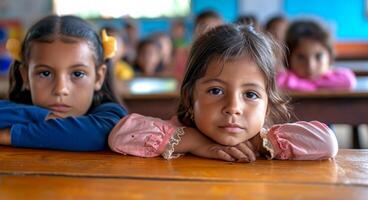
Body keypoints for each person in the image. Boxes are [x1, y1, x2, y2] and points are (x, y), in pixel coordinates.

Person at [108, 24, 338, 162]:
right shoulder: (175, 132)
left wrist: (260, 143)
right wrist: (194, 142)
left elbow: (326, 142)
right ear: (190, 98)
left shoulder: (264, 141)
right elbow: (120, 135)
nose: (233, 107)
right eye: (216, 90)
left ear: (268, 104)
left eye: (250, 94)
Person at [0, 15, 127, 151]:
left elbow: (98, 134)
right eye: (45, 73)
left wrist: (14, 135)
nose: (60, 89)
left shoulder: (110, 115)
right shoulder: (21, 107)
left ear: (98, 78)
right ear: (26, 77)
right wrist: (49, 117)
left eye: (77, 73)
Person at [277, 20, 356, 91]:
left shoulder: (339, 77)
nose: (311, 66)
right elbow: (279, 84)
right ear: (288, 58)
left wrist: (312, 85)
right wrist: (316, 87)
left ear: (329, 57)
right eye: (301, 57)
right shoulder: (285, 79)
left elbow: (348, 81)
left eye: (318, 57)